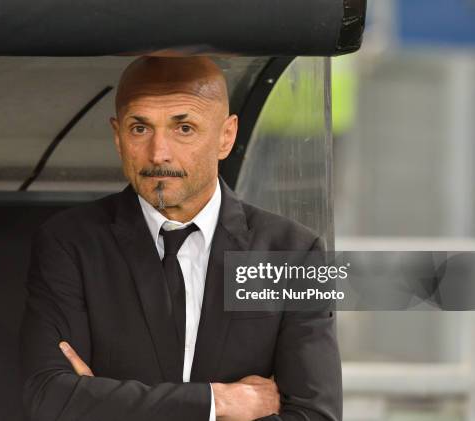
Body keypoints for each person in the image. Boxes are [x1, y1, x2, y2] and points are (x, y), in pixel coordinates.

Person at [19, 56, 341, 421]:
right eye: (140, 129)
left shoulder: (294, 253)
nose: (159, 153)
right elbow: (50, 398)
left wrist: (107, 403)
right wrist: (217, 403)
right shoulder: (70, 243)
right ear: (117, 136)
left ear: (226, 136)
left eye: (183, 128)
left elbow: (315, 416)